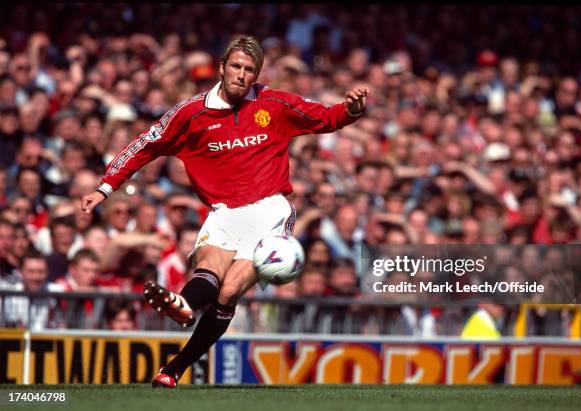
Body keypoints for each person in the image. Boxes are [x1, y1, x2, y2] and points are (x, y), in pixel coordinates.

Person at [80, 36, 368, 388]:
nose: (242, 75)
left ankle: (176, 363)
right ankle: (182, 307)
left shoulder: (273, 102)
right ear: (221, 67)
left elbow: (325, 117)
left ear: (256, 74)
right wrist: (105, 187)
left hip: (269, 209)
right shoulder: (190, 114)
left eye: (250, 70)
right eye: (236, 66)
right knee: (210, 268)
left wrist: (351, 109)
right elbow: (146, 144)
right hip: (223, 211)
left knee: (229, 290)